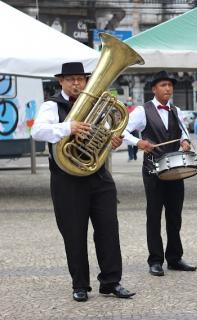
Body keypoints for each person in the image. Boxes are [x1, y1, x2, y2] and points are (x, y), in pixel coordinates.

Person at [31, 62, 135, 302]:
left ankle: (111, 282)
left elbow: (109, 130)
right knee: (74, 233)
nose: (76, 83)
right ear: (61, 81)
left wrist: (112, 140)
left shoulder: (98, 104)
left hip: (98, 176)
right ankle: (80, 285)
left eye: (80, 78)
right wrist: (69, 127)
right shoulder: (51, 106)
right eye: (71, 79)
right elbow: (37, 132)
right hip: (67, 179)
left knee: (109, 229)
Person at [122, 71, 197, 277]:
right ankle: (155, 260)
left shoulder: (176, 110)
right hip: (153, 169)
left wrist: (185, 141)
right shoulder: (141, 110)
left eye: (170, 85)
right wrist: (139, 142)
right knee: (154, 215)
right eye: (163, 85)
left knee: (175, 215)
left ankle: (174, 257)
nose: (168, 89)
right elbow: (121, 130)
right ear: (154, 89)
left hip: (176, 170)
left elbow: (183, 131)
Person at [126, 96, 139, 161]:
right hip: (128, 129)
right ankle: (130, 156)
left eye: (130, 101)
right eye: (128, 101)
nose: (129, 102)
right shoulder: (125, 109)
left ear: (132, 101)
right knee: (129, 143)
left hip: (135, 129)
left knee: (136, 143)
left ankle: (135, 153)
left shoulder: (135, 109)